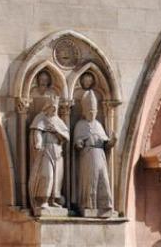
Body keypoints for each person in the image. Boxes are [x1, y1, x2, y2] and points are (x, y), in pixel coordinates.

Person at [73, 89, 116, 218]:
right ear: (84, 111)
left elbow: (107, 144)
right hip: (88, 155)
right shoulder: (80, 125)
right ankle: (89, 206)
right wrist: (80, 143)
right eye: (90, 111)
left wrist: (114, 140)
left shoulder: (98, 125)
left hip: (100, 155)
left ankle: (104, 206)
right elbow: (77, 143)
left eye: (94, 111)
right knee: (91, 180)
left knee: (104, 179)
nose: (92, 113)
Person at [27, 94, 69, 214]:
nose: (54, 110)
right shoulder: (40, 118)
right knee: (47, 175)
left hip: (57, 151)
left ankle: (52, 200)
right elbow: (37, 131)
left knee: (57, 177)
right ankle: (43, 200)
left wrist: (56, 131)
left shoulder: (58, 121)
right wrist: (38, 142)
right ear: (47, 107)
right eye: (52, 107)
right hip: (46, 149)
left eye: (55, 108)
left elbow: (66, 137)